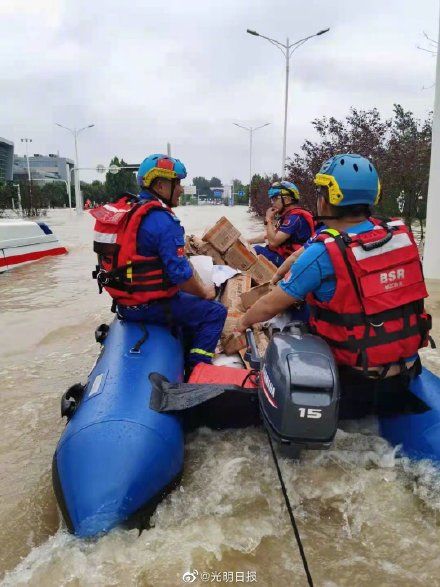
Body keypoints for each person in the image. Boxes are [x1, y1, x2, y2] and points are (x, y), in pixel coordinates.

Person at [239, 153, 432, 418]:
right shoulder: (399, 234)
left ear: (330, 198)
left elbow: (268, 307)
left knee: (290, 317)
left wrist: (240, 324)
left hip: (354, 382)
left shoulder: (324, 252)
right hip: (406, 371)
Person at [91, 153, 227, 368]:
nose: (181, 189)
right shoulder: (163, 220)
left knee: (187, 300)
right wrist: (206, 293)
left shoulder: (129, 211)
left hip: (124, 305)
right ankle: (197, 366)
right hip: (150, 307)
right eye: (178, 183)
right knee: (216, 312)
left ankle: (184, 348)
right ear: (162, 186)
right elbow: (181, 276)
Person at [247, 180, 315, 267]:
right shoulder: (288, 216)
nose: (272, 203)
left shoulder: (294, 218)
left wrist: (269, 219)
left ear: (286, 200)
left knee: (256, 250)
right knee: (255, 248)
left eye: (275, 199)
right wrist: (248, 241)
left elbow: (273, 242)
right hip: (287, 258)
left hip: (293, 262)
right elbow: (269, 235)